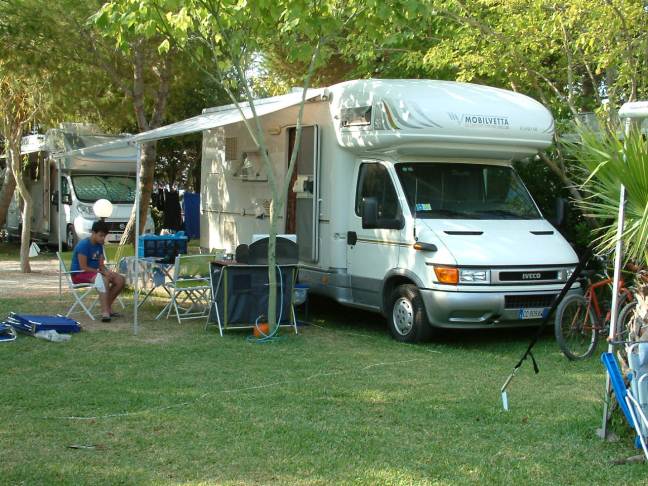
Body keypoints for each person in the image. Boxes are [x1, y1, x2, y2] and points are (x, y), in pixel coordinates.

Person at [70, 220, 125, 322]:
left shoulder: (99, 245)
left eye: (104, 236)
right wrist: (101, 273)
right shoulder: (83, 245)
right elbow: (83, 267)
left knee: (120, 279)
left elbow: (101, 265)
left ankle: (107, 306)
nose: (103, 238)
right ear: (93, 233)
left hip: (95, 273)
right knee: (103, 279)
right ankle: (105, 312)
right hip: (79, 274)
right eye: (101, 235)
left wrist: (107, 272)